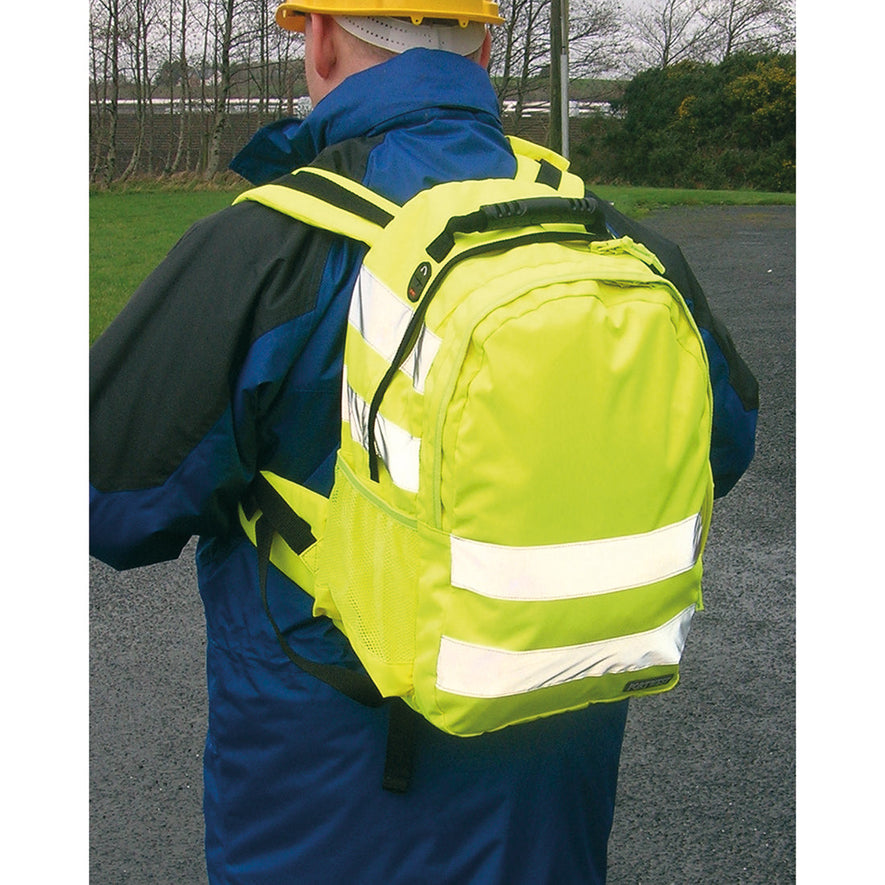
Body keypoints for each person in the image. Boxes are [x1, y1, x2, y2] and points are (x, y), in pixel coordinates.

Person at [89, 2, 759, 882]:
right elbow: (727, 443)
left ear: (320, 38)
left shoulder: (268, 247)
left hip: (325, 815)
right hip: (548, 810)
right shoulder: (609, 236)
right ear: (484, 44)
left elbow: (114, 503)